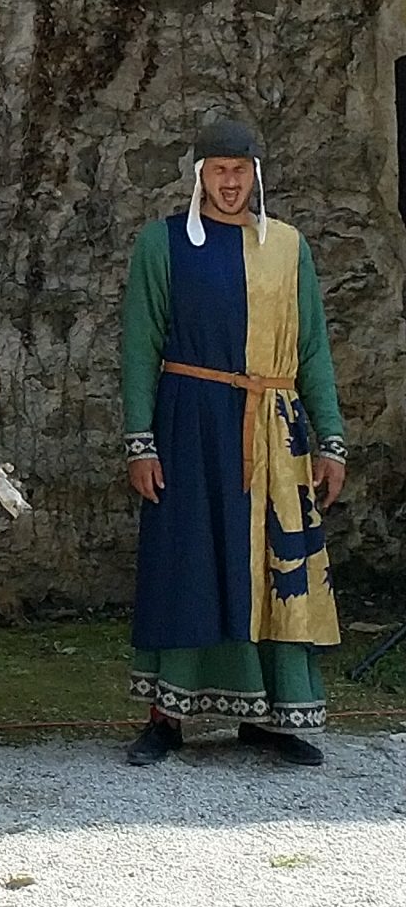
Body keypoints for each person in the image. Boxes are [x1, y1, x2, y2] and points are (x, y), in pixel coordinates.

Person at [122, 118, 347, 766]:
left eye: (239, 170)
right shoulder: (161, 245)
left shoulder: (288, 247)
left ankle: (270, 716)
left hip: (275, 431)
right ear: (200, 175)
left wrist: (329, 440)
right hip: (189, 426)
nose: (229, 181)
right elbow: (139, 348)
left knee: (274, 573)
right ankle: (167, 719)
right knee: (186, 564)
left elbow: (312, 350)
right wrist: (142, 442)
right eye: (218, 170)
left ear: (255, 175)